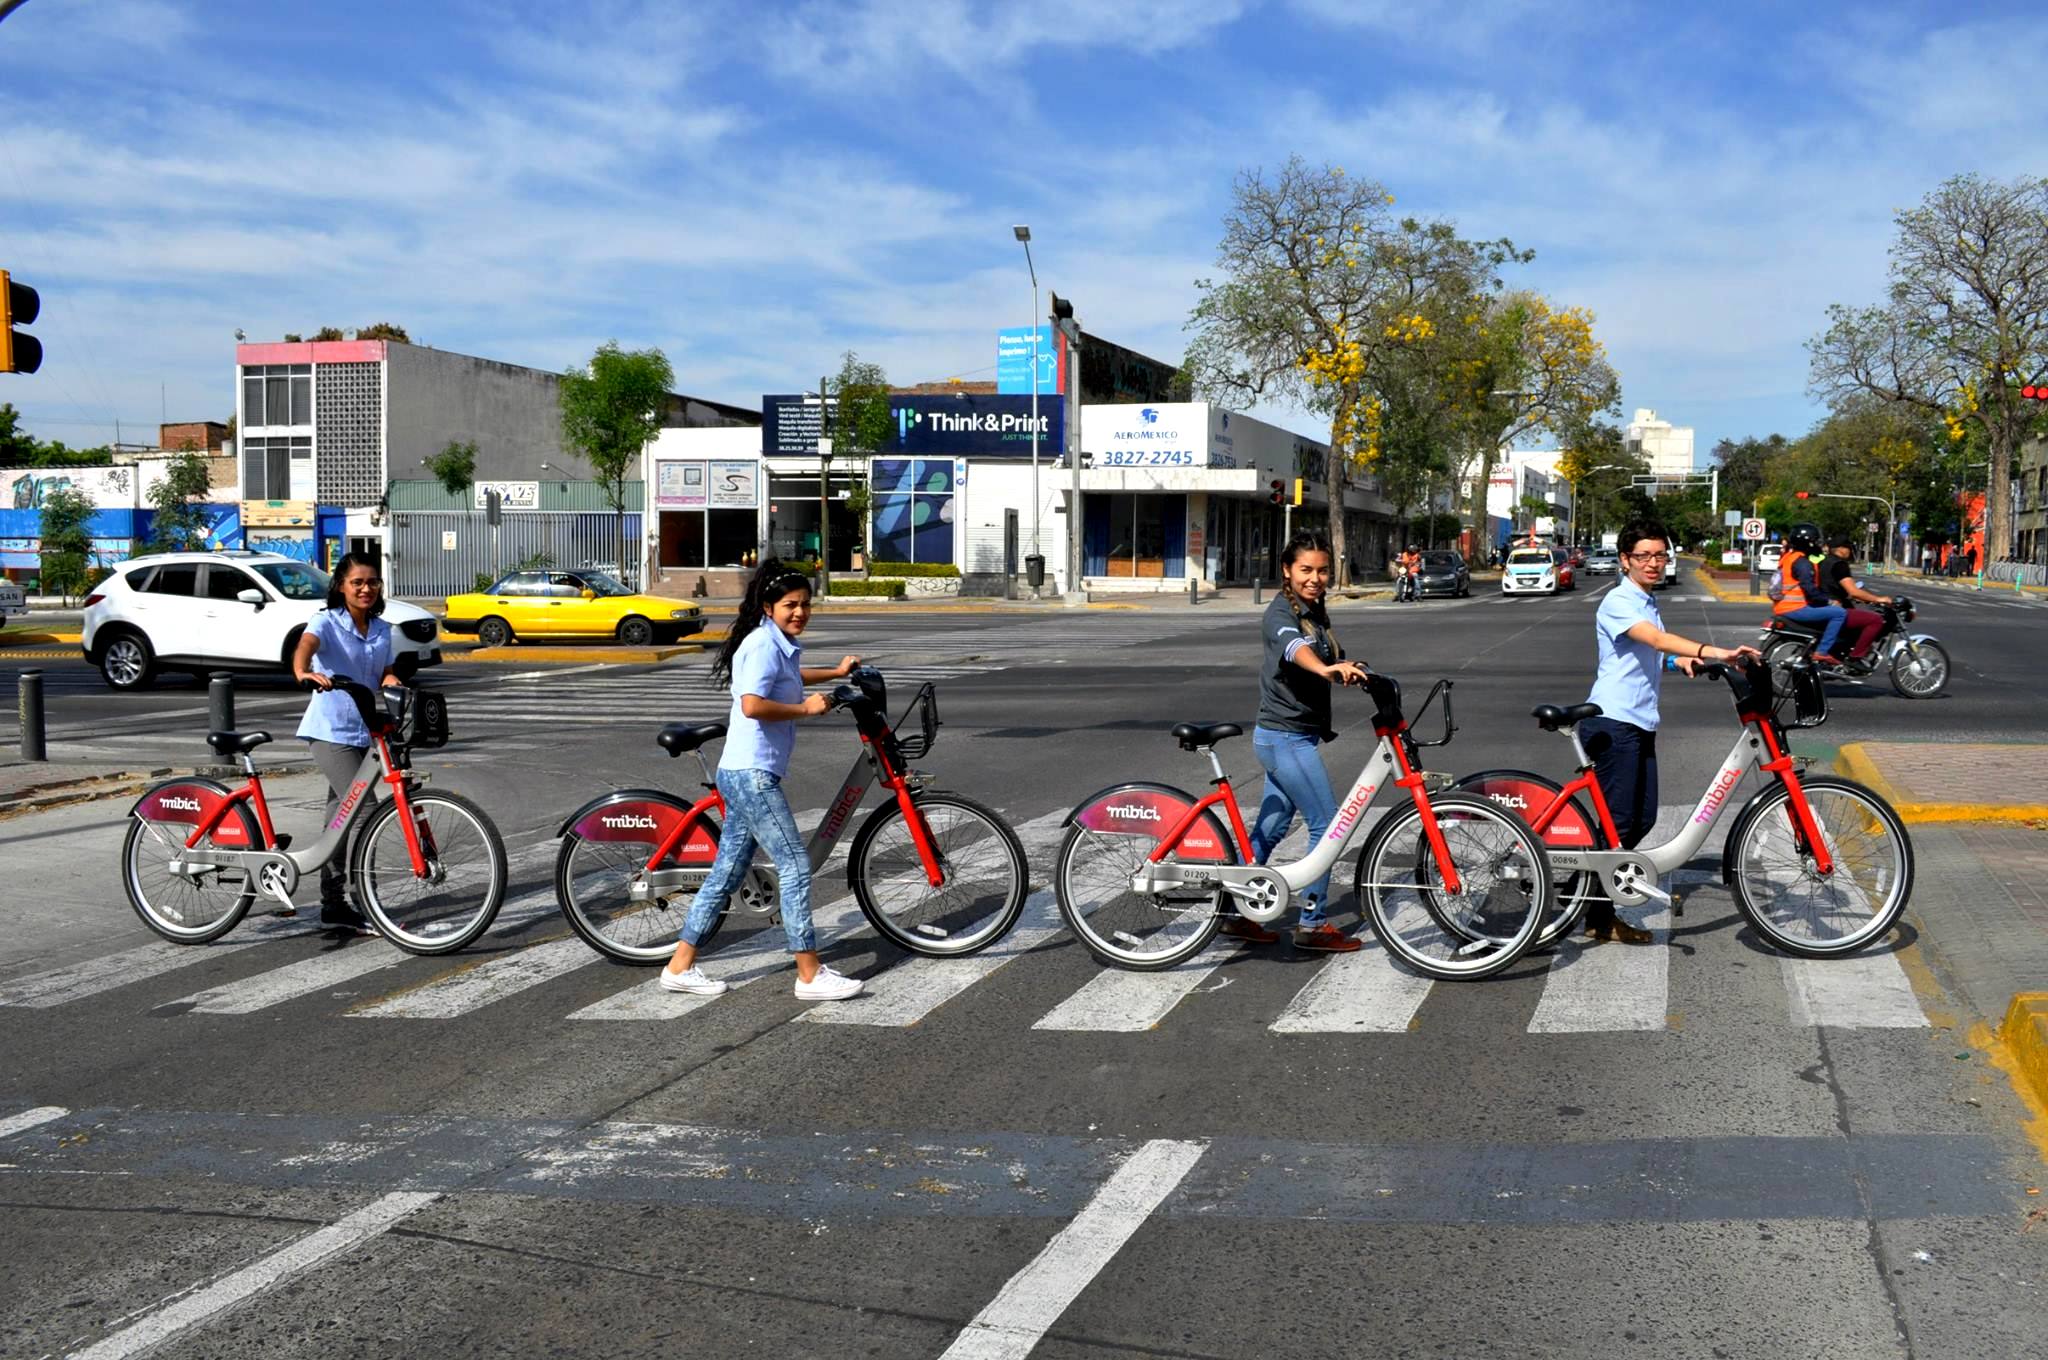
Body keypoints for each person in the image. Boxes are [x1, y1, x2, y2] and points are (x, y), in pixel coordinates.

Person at [660, 560, 865, 1001]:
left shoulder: (777, 644)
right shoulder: (761, 645)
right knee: (794, 864)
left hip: (744, 772)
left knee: (727, 872)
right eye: (791, 605)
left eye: (806, 605)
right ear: (769, 607)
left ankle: (679, 966)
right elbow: (753, 704)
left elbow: (787, 680)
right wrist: (805, 710)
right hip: (752, 776)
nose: (800, 612)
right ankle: (809, 974)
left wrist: (835, 673)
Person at [1580, 518, 1760, 944]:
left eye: (1660, 555)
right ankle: (1597, 913)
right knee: (1621, 823)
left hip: (1638, 721)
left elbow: (1644, 651)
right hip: (1613, 721)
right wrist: (1716, 651)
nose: (1653, 563)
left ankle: (1585, 891)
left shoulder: (1645, 601)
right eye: (1643, 555)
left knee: (1640, 818)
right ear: (1625, 560)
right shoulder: (1619, 600)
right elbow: (1656, 641)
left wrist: (1677, 662)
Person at [1230, 530, 1372, 952]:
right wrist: (1326, 670)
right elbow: (1294, 650)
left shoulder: (1313, 609)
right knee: (1327, 828)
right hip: (1285, 738)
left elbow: (1318, 653)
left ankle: (1236, 913)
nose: (1315, 578)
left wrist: (1342, 666)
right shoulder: (1279, 614)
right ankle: (1312, 923)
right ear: (1287, 571)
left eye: (1323, 570)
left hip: (1291, 736)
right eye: (1306, 570)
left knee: (1271, 828)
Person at [292, 552, 403, 935]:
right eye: (357, 582)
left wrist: (390, 679)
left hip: (366, 731)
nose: (366, 588)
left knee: (338, 820)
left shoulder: (383, 629)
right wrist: (303, 671)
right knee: (364, 813)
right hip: (331, 731)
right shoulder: (326, 620)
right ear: (341, 585)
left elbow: (385, 668)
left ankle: (333, 904)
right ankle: (362, 898)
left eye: (372, 582)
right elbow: (306, 645)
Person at [1770, 527, 1847, 666]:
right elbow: (1809, 588)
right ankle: (1822, 652)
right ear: (1809, 543)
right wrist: (1829, 601)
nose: (1819, 545)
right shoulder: (1802, 563)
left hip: (1783, 606)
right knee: (1839, 613)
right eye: (1816, 541)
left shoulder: (1788, 557)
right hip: (1796, 608)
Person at [1818, 535, 1889, 671]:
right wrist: (1879, 599)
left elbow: (1836, 587)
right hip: (1834, 608)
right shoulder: (1840, 565)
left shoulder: (1824, 562)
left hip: (1823, 605)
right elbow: (1853, 591)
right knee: (1875, 620)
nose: (1849, 551)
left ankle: (1840, 653)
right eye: (1848, 548)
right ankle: (1855, 658)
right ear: (1841, 549)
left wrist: (1856, 596)